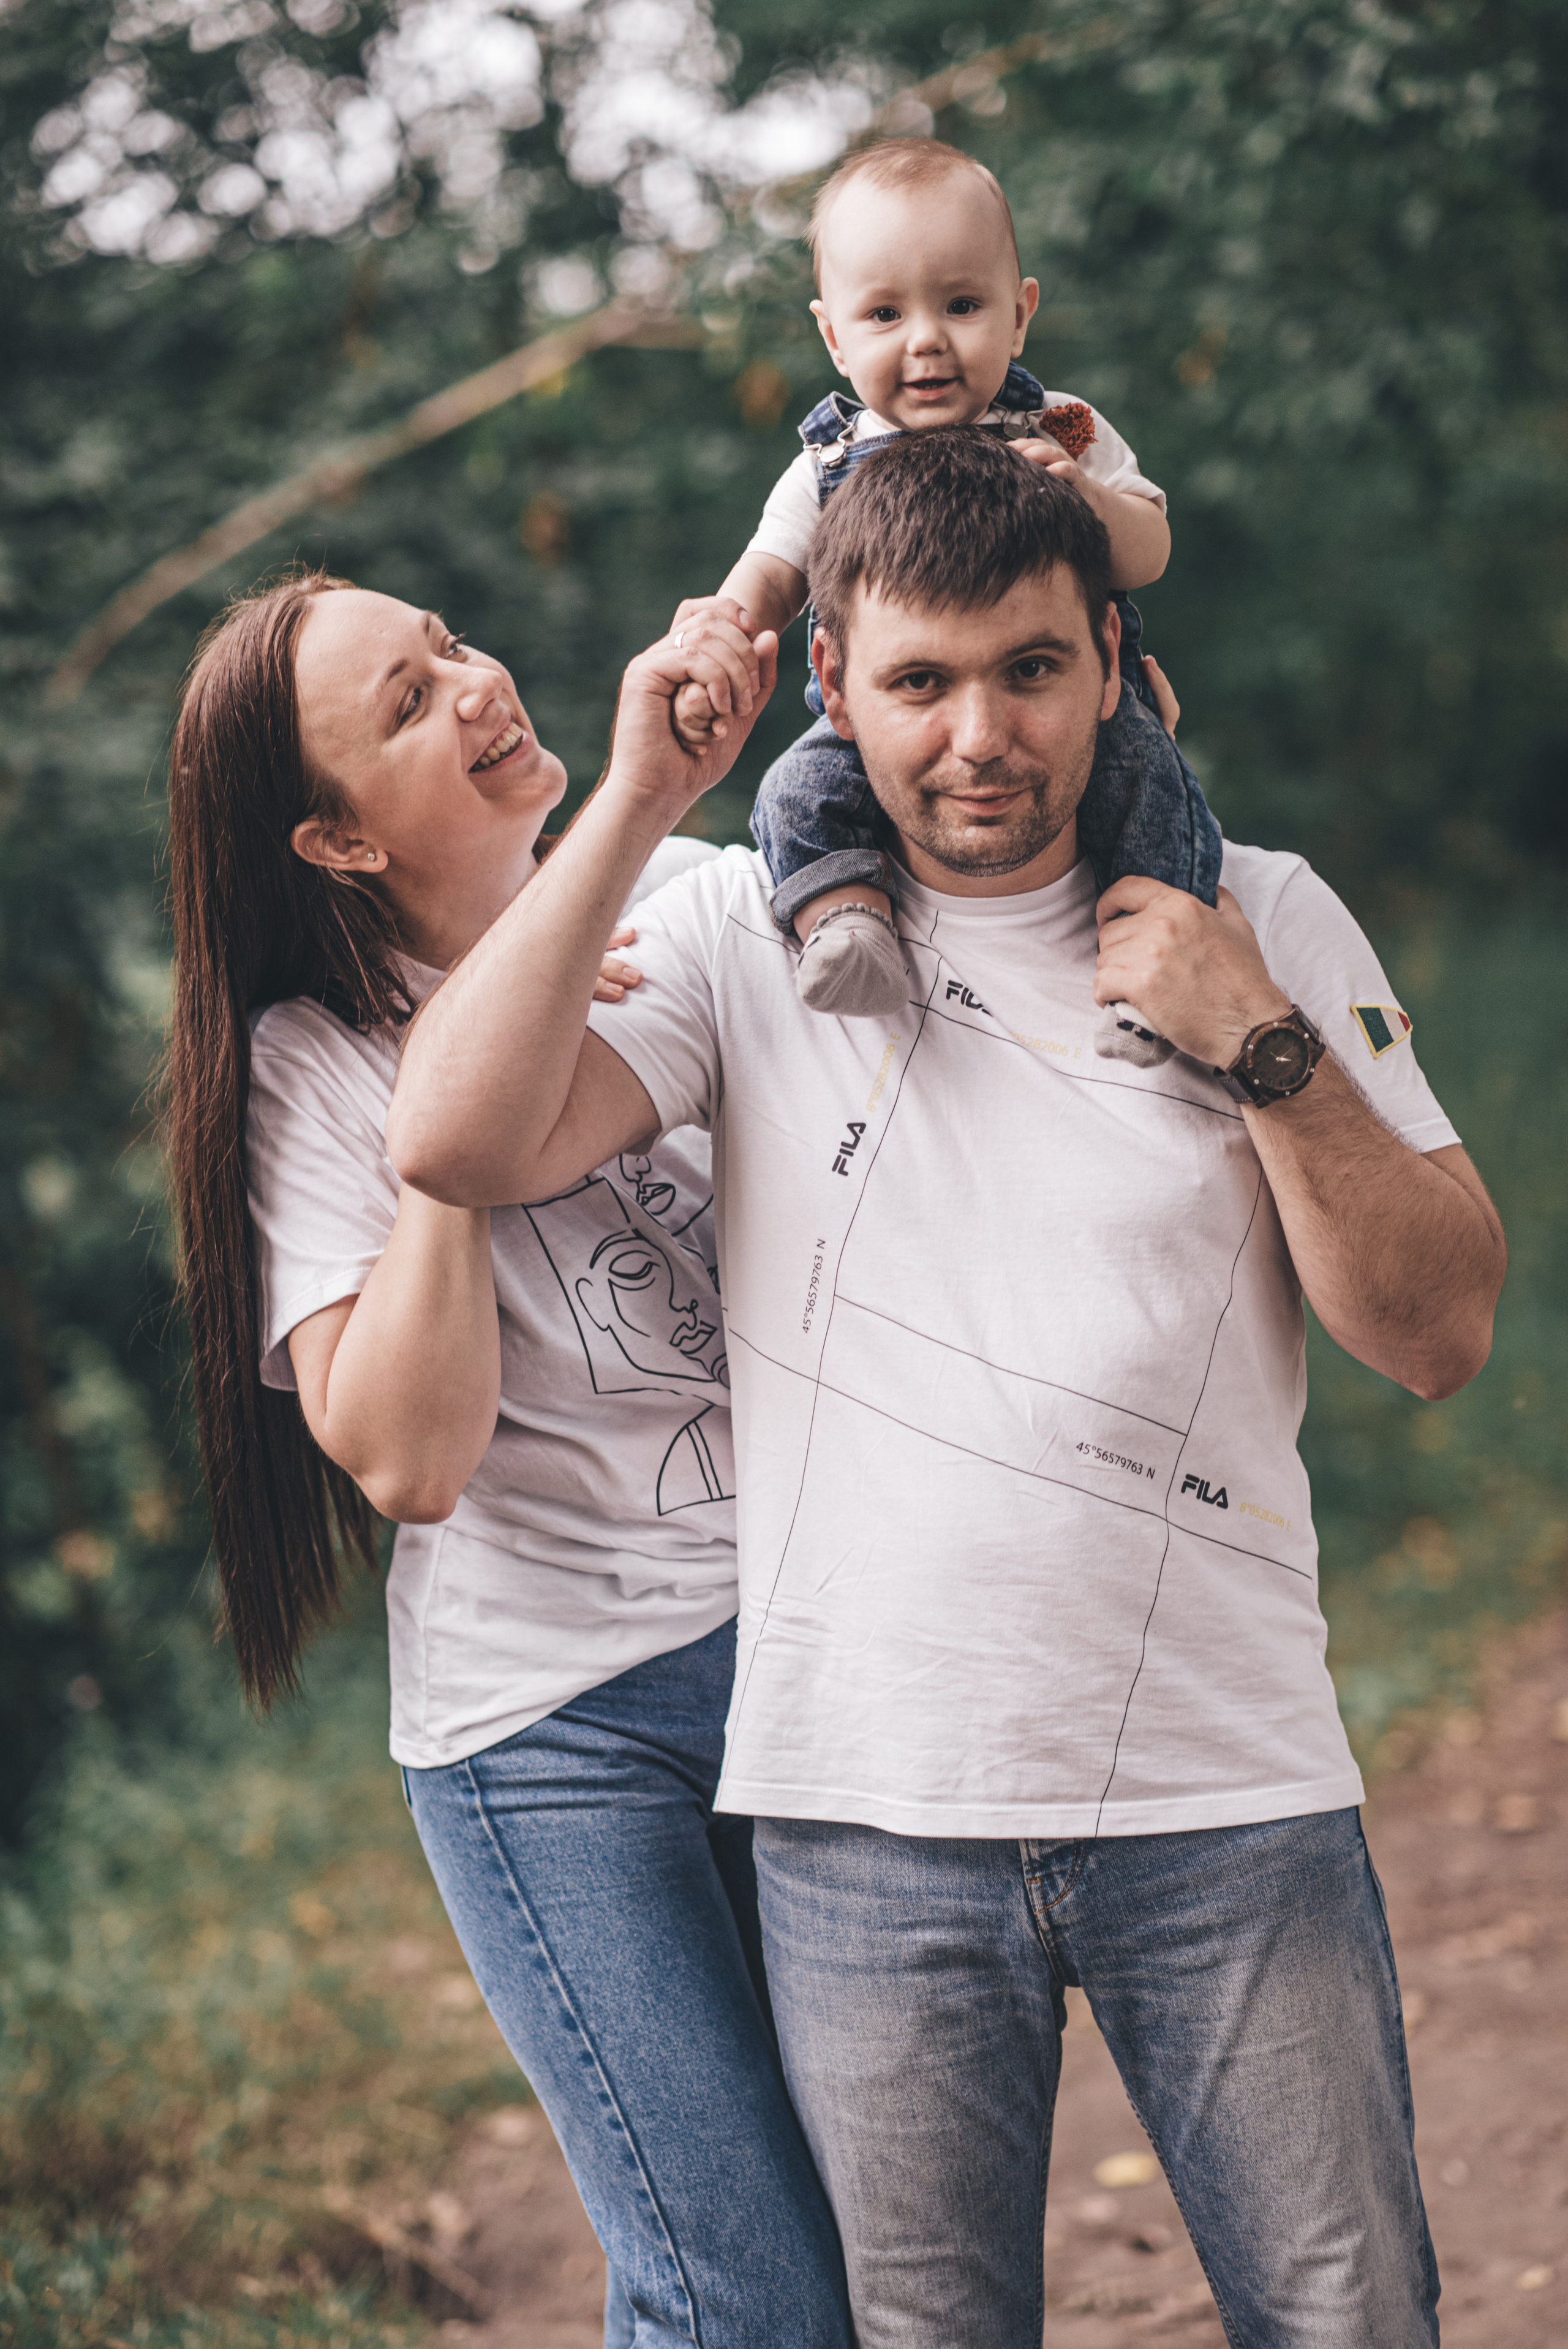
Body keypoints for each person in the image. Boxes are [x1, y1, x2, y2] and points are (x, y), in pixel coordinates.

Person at [386, 429, 1508, 2348]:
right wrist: (651, 783)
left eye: (1029, 670)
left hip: (1229, 1798)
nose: (977, 736)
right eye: (917, 682)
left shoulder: (1266, 910)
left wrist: (1261, 1041)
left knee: (1352, 2318)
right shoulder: (745, 926)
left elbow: (1436, 1330)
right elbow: (459, 1135)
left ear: (1109, 657)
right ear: (832, 684)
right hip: (865, 1823)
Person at [162, 572, 850, 2349]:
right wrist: (444, 1104)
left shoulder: (703, 903)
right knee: (740, 2291)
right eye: (405, 705)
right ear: (328, 835)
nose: (472, 689)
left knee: (886, 2254)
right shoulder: (308, 1072)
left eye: (449, 648)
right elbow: (410, 1457)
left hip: (805, 1655)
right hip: (558, 1731)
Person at [669, 134, 1215, 1057]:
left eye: (962, 304)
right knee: (796, 790)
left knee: (1152, 794)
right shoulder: (827, 467)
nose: (927, 339)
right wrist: (720, 630)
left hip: (1073, 709)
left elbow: (1150, 548)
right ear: (834, 337)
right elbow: (771, 571)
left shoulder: (1063, 429)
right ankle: (847, 923)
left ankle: (1152, 972)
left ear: (1020, 314)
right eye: (885, 314)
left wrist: (1086, 499)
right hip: (876, 726)